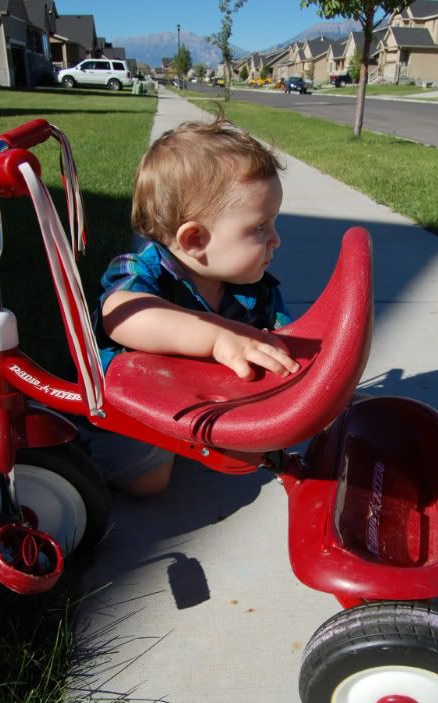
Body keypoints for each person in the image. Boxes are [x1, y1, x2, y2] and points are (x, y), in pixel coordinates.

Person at [88, 114, 299, 497]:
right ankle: (92, 452)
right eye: (260, 227)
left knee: (259, 444)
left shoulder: (254, 288)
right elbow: (120, 314)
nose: (277, 239)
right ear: (195, 239)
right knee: (149, 482)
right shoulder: (144, 270)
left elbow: (289, 343)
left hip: (203, 398)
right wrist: (217, 338)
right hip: (135, 404)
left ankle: (199, 434)